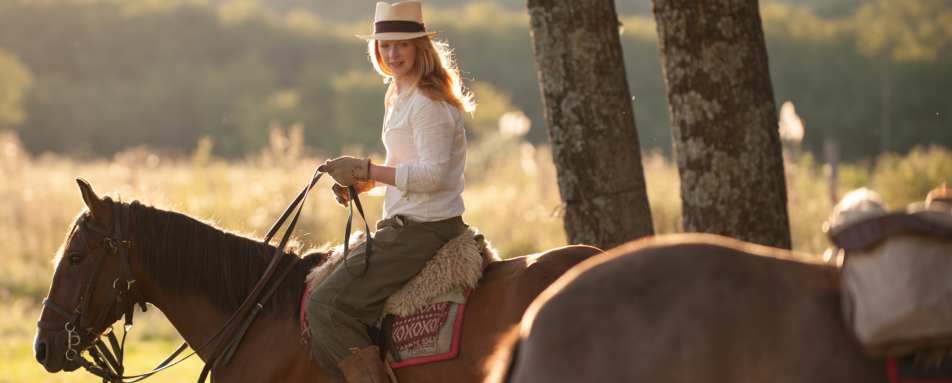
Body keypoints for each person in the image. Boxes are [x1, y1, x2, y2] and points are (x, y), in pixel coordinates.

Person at [306, 1, 476, 382]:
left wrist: (368, 168)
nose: (392, 53)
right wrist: (367, 184)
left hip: (424, 230)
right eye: (385, 45)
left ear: (420, 48)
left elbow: (433, 176)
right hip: (404, 224)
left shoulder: (428, 103)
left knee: (324, 306)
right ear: (376, 51)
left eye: (402, 44)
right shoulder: (399, 97)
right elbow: (408, 167)